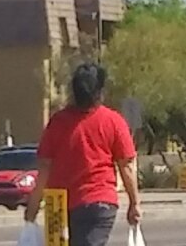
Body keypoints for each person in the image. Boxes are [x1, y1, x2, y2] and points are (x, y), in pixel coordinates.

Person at [24, 63, 142, 246]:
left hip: (58, 206)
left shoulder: (58, 123)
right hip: (99, 203)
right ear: (100, 90)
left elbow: (45, 169)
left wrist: (33, 205)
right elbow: (126, 166)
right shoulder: (113, 121)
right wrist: (134, 203)